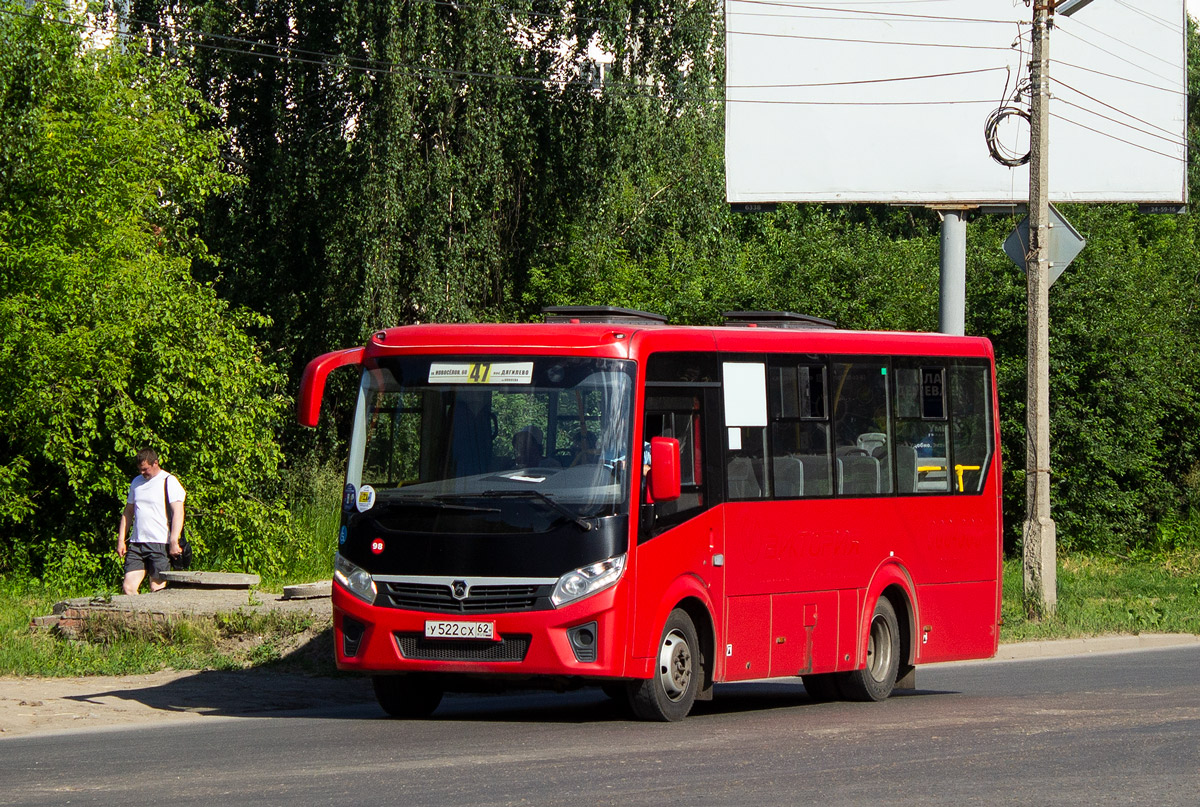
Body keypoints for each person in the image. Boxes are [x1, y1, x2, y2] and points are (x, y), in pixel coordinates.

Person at [116, 449, 186, 595]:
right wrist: (121, 539)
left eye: (145, 469)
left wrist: (174, 541)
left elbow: (178, 512)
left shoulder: (169, 481)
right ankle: (136, 616)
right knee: (128, 587)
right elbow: (128, 511)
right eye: (140, 470)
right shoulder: (136, 482)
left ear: (155, 463)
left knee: (157, 589)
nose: (142, 473)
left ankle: (155, 617)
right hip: (137, 543)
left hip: (160, 543)